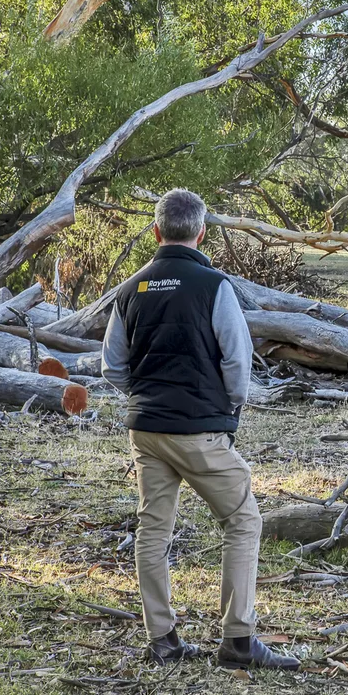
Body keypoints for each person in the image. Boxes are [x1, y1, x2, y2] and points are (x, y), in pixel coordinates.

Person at [101, 188, 297, 670]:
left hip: (146, 429)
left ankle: (163, 640)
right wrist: (228, 407)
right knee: (244, 520)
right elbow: (237, 359)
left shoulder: (130, 289)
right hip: (199, 429)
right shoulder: (215, 285)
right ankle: (237, 642)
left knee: (153, 529)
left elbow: (112, 366)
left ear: (156, 231)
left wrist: (144, 393)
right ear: (202, 231)